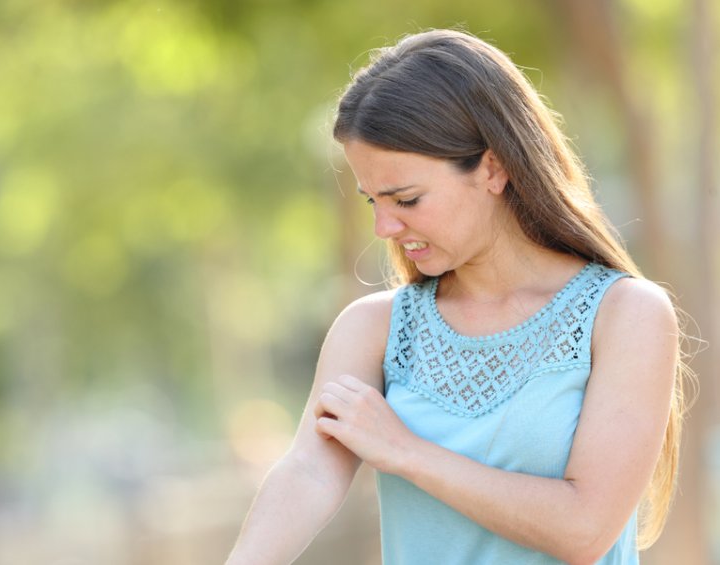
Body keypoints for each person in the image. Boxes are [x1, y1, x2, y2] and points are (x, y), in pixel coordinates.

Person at [226, 28, 690, 565]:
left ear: (493, 168)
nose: (382, 225)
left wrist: (407, 452)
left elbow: (585, 528)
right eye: (371, 200)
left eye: (406, 198)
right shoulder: (372, 329)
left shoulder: (626, 316)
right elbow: (308, 470)